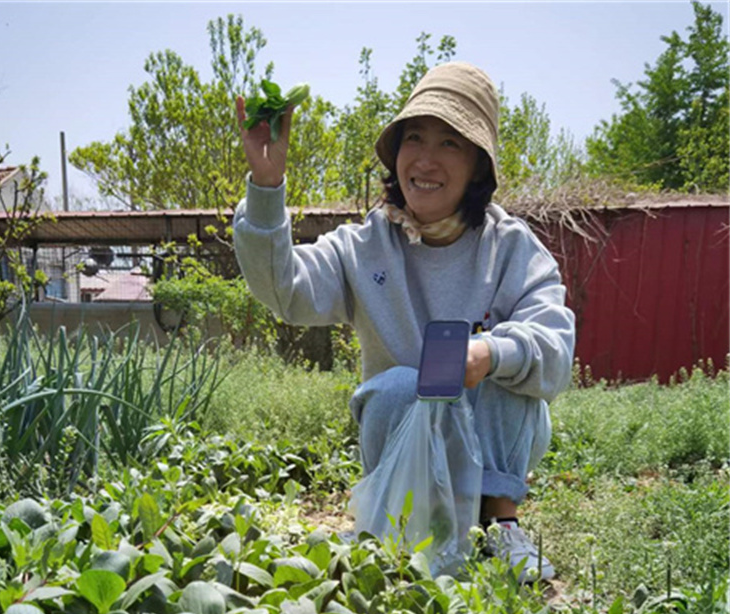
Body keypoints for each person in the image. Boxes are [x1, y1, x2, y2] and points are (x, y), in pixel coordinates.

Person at [232, 61, 575, 582]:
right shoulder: (365, 246)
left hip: (492, 436)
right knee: (395, 387)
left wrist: (489, 353)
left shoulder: (510, 248)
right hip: (400, 442)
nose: (426, 160)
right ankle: (405, 524)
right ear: (395, 154)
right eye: (414, 138)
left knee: (510, 362)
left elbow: (554, 346)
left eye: (450, 143)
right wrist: (266, 186)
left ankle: (499, 523)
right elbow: (286, 291)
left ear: (478, 167)